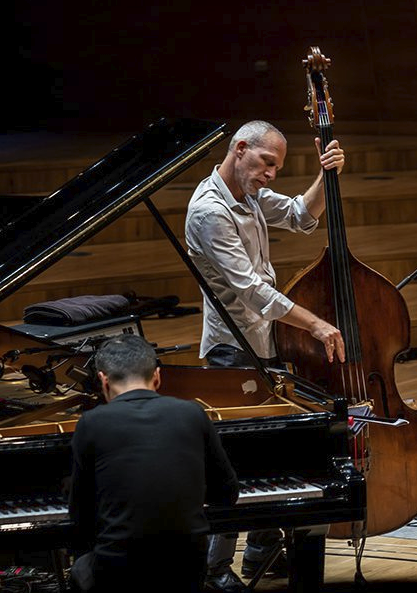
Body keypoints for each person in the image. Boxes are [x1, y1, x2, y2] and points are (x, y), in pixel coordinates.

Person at [184, 120, 347, 592]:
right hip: (232, 350)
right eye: (266, 163)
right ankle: (214, 569)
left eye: (278, 166)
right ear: (239, 149)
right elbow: (253, 292)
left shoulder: (249, 195)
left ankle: (261, 549)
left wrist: (326, 175)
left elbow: (299, 214)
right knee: (236, 460)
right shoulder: (210, 212)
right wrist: (314, 323)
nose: (272, 174)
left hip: (263, 345)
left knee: (271, 449)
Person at [68, 334, 239, 593]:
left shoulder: (91, 423)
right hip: (188, 566)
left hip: (118, 567)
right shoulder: (193, 413)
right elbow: (227, 493)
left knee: (79, 566)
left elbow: (80, 513)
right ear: (158, 376)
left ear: (102, 380)